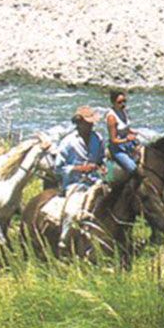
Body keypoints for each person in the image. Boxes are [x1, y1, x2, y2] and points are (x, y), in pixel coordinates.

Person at [54, 105, 105, 251]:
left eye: (92, 123)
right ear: (79, 122)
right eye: (88, 123)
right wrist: (78, 169)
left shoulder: (98, 138)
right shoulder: (68, 142)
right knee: (72, 211)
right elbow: (58, 168)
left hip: (95, 181)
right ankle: (63, 242)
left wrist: (103, 167)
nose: (91, 126)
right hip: (75, 183)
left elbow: (101, 159)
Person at [106, 90, 140, 178]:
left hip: (129, 143)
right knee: (133, 168)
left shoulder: (124, 111)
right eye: (119, 102)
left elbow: (126, 128)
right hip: (118, 148)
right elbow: (113, 140)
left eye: (124, 101)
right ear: (113, 103)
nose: (123, 104)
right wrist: (126, 139)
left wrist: (132, 132)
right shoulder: (111, 118)